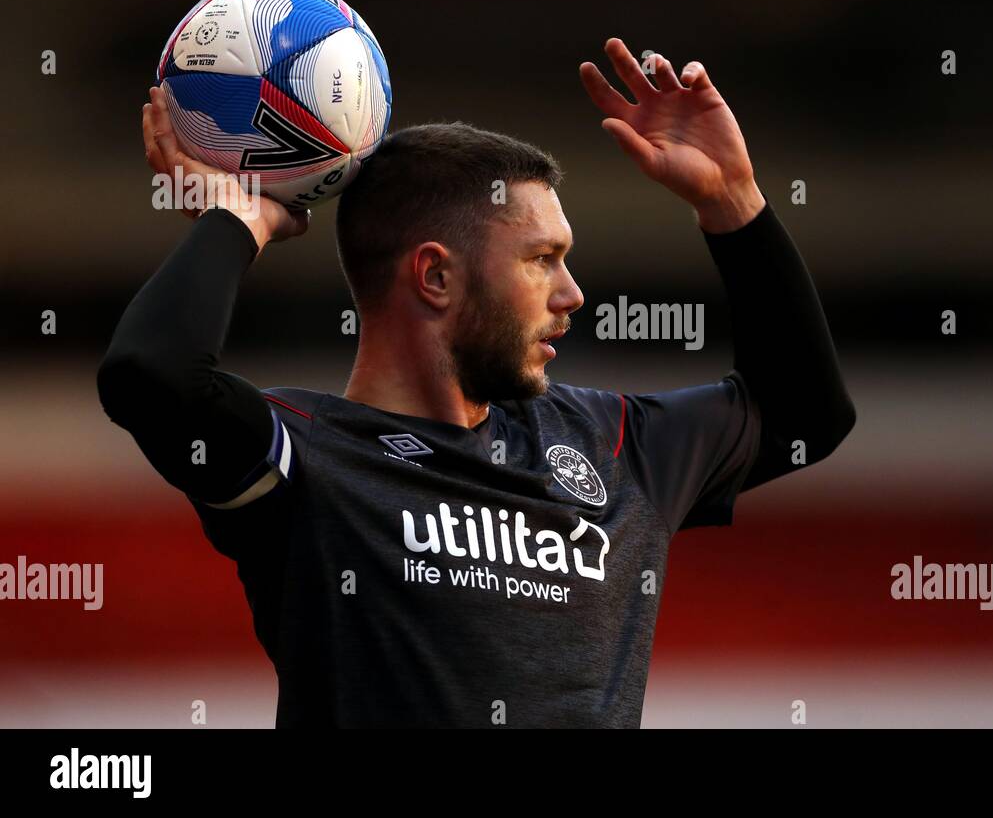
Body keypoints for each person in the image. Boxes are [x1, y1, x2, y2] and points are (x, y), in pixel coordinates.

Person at [96, 38, 855, 727]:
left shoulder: (616, 447)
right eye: (541, 259)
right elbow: (150, 373)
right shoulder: (305, 461)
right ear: (434, 274)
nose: (573, 295)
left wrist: (733, 202)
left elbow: (806, 413)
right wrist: (238, 218)